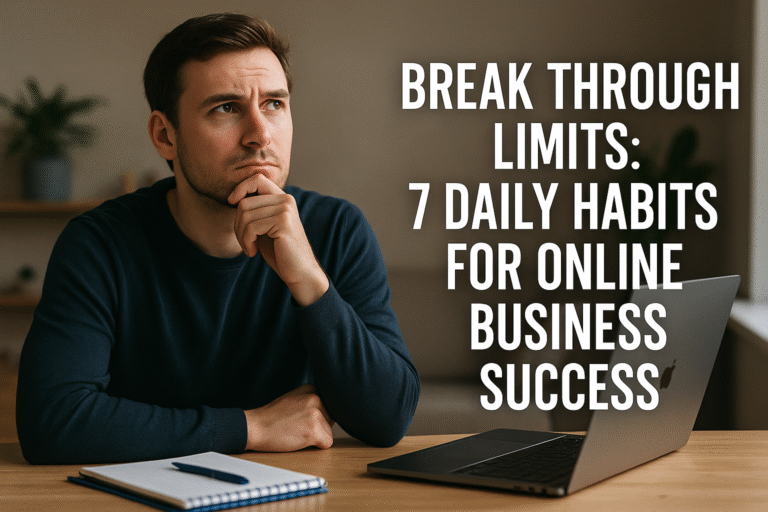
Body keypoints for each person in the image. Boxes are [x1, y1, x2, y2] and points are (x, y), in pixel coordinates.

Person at [16, 12, 420, 464]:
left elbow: (388, 420)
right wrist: (251, 427)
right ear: (165, 136)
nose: (260, 135)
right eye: (226, 108)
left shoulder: (338, 230)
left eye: (274, 104)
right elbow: (52, 421)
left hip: (300, 493)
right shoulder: (98, 244)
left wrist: (309, 281)